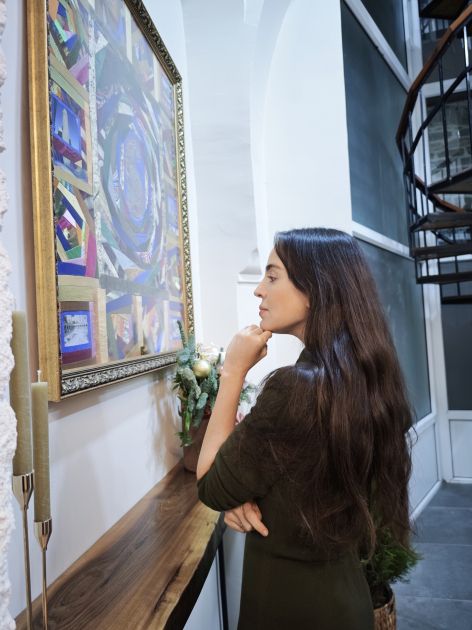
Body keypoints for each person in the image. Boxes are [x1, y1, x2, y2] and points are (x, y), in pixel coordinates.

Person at [196, 227, 412, 629]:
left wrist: (233, 371)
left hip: (290, 601)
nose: (259, 290)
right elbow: (309, 478)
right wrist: (246, 490)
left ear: (314, 289)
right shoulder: (360, 375)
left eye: (272, 276)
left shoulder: (297, 388)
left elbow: (210, 484)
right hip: (344, 595)